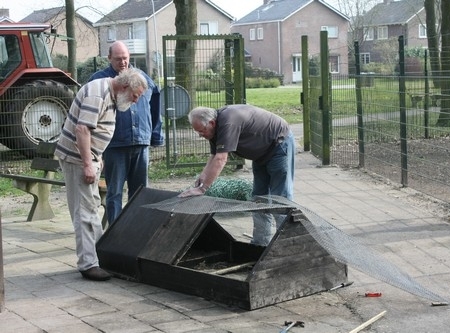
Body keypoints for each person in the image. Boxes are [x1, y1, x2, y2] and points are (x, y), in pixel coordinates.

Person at [55, 68, 148, 281]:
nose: (135, 102)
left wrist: (97, 157)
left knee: (91, 207)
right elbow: (82, 130)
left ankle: (98, 257)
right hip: (77, 160)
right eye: (135, 96)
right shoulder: (98, 94)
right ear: (125, 87)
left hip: (86, 159)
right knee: (85, 212)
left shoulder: (110, 93)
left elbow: (95, 129)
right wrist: (88, 163)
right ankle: (89, 264)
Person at [179, 104, 295, 246]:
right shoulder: (213, 129)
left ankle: (288, 243)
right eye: (198, 132)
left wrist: (203, 189)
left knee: (280, 198)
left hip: (279, 145)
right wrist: (202, 177)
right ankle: (260, 243)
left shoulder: (228, 122)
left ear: (211, 123)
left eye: (201, 131)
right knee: (258, 198)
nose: (200, 135)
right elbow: (214, 155)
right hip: (260, 154)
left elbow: (221, 159)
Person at [88, 41, 164, 225]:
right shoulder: (99, 81)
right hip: (115, 145)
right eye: (118, 59)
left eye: (125, 58)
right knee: (114, 192)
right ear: (109, 58)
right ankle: (115, 230)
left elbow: (155, 107)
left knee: (140, 191)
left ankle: (137, 228)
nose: (122, 62)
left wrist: (154, 135)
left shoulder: (144, 78)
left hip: (141, 142)